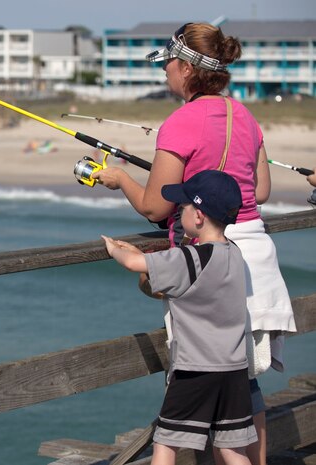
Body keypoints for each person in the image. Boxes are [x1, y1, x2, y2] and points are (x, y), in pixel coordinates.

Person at [92, 22, 295, 465]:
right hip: (254, 253)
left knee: (198, 376)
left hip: (207, 258)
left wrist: (120, 178)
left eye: (167, 64)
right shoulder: (245, 115)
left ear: (185, 69)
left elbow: (154, 208)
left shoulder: (180, 121)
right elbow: (258, 192)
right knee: (242, 382)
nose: (164, 72)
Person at [102, 170, 257, 465]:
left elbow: (136, 264)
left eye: (182, 208)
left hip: (196, 370)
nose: (178, 213)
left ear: (198, 216)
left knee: (166, 442)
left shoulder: (191, 258)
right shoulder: (235, 254)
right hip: (234, 369)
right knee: (231, 449)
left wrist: (115, 250)